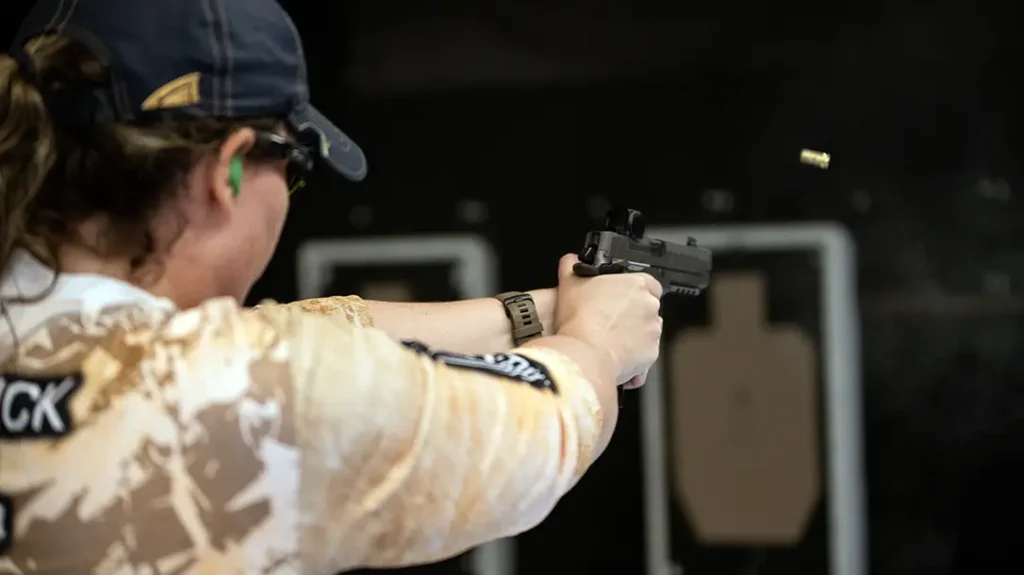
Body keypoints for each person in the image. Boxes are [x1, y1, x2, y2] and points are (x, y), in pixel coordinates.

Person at [0, 0, 663, 572]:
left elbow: (293, 335)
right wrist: (596, 342)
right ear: (228, 172)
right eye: (293, 168)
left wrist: (544, 312)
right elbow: (543, 430)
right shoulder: (249, 389)